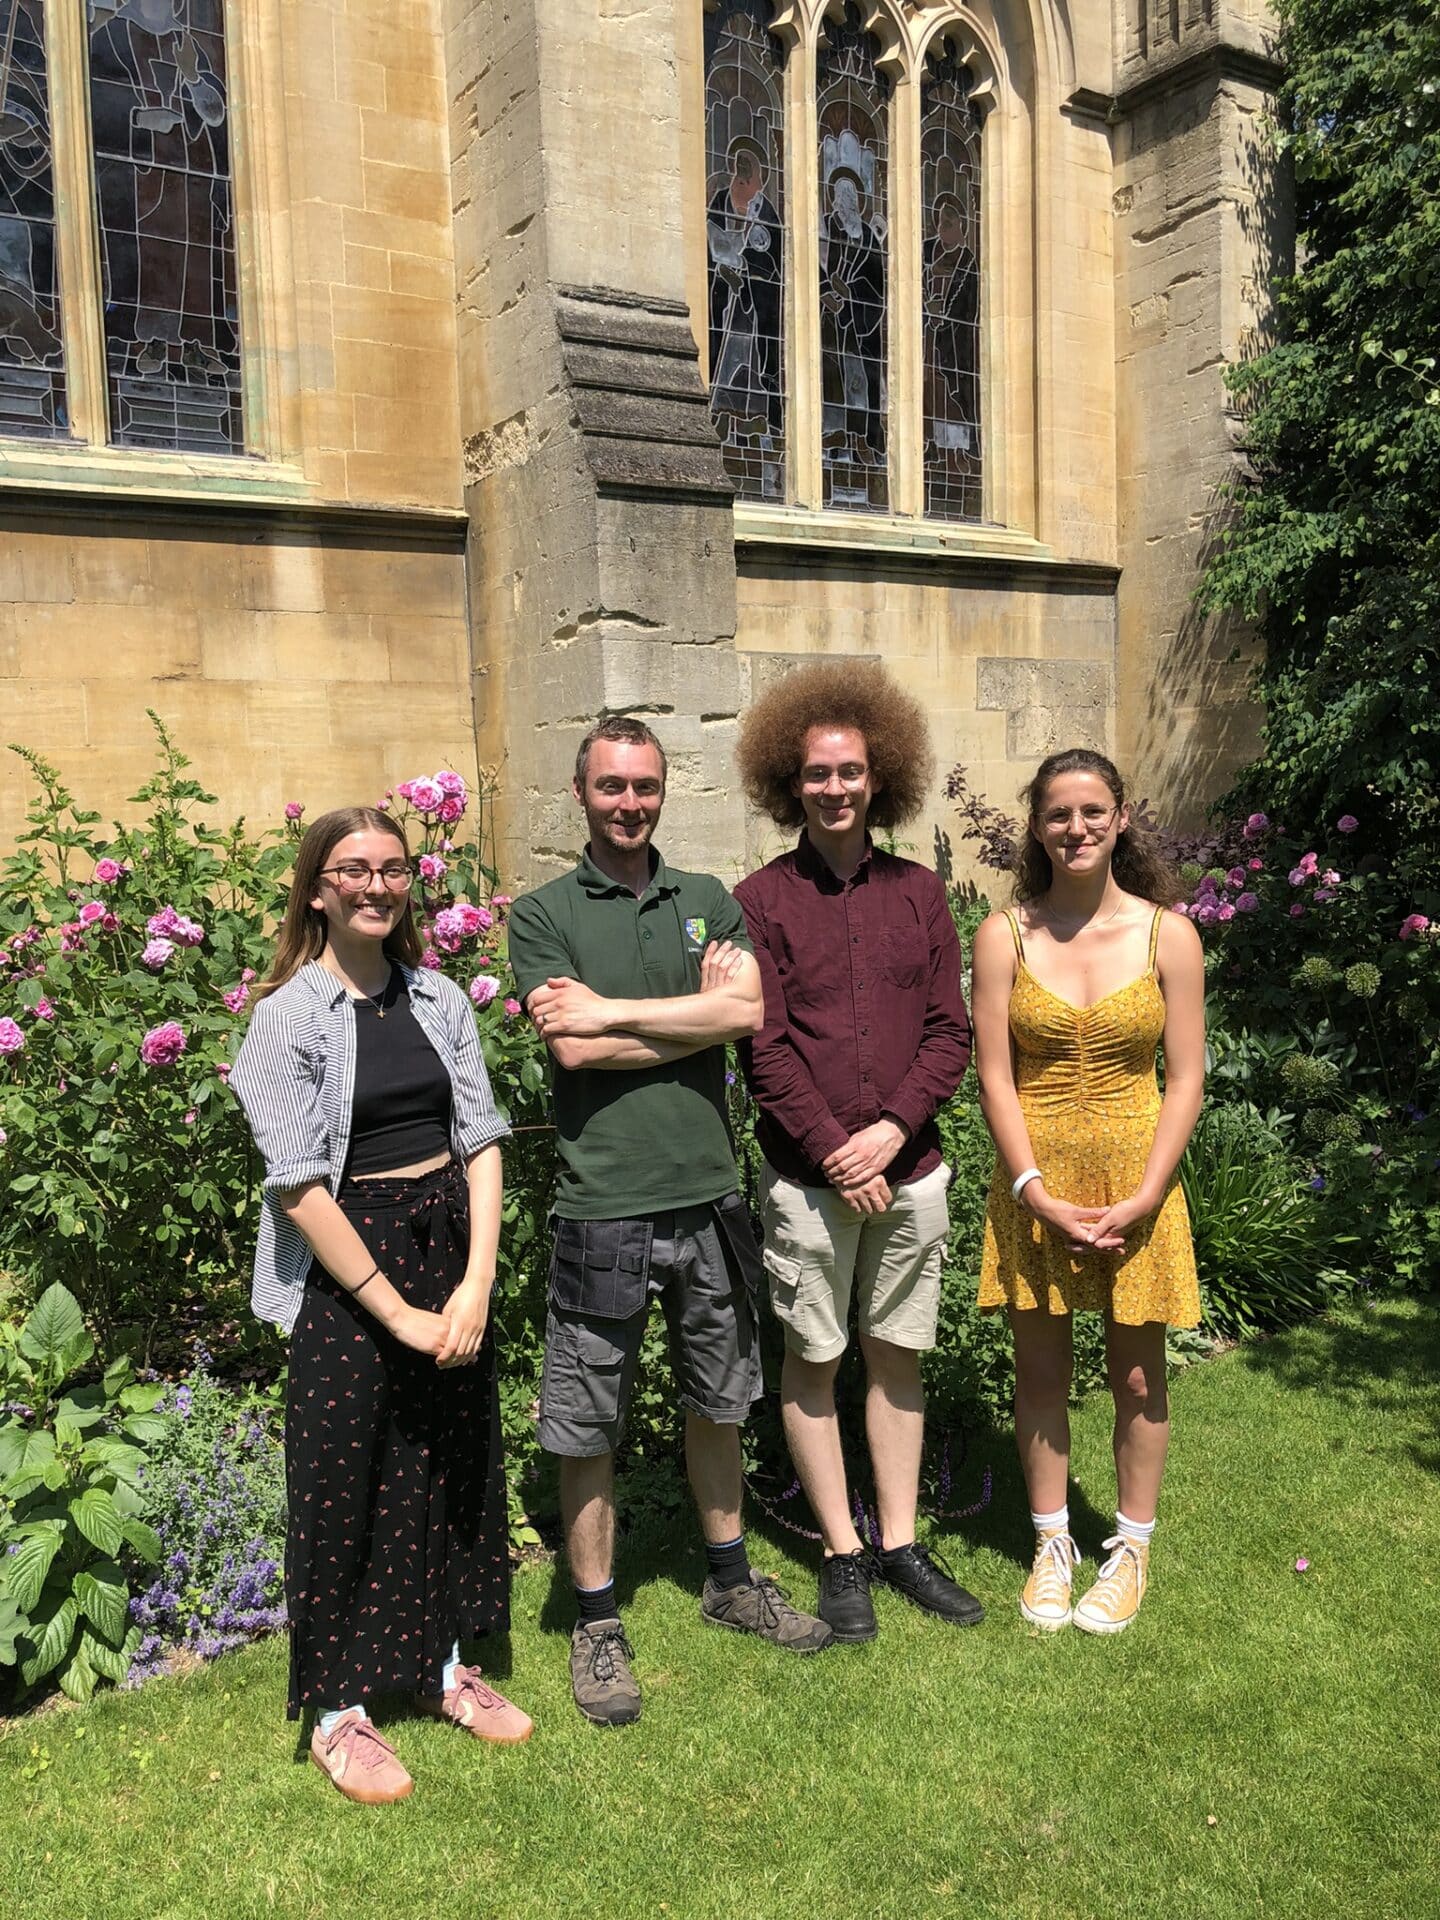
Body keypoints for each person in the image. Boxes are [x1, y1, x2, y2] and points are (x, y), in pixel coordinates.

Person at [507, 716, 833, 1730]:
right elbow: (571, 1054)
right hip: (602, 1205)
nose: (631, 803)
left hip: (708, 1197)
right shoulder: (542, 912)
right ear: (581, 793)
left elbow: (744, 1019)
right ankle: (597, 1620)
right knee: (587, 1417)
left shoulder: (707, 900)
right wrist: (671, 1028)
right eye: (612, 787)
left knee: (720, 1398)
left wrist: (609, 1011)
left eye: (645, 787)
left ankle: (731, 1579)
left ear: (662, 793)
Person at [230, 807, 529, 1805]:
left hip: (448, 1244)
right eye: (352, 869)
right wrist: (397, 1314)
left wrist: (477, 1280)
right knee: (345, 1483)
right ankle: (338, 1711)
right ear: (316, 887)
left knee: (447, 1461)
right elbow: (301, 1187)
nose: (375, 884)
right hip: (348, 1268)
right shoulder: (287, 1017)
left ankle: (442, 1667)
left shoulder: (439, 997)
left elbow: (481, 1137)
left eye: (392, 868)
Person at [733, 662, 982, 1643]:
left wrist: (889, 1133)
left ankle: (903, 1541)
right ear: (788, 786)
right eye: (816, 774)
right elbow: (764, 1043)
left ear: (880, 779)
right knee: (813, 1358)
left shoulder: (921, 894)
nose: (834, 788)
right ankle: (841, 1549)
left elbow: (948, 1032)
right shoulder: (759, 900)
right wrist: (838, 1150)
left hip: (911, 1173)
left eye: (851, 771)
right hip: (807, 1180)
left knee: (895, 1359)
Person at [971, 748, 1205, 1635]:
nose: (1077, 828)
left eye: (1092, 811)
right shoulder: (1005, 935)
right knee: (1039, 1372)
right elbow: (994, 1075)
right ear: (1036, 825)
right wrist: (1033, 1190)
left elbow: (1185, 1077)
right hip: (1038, 1183)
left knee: (1139, 1377)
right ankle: (1051, 1543)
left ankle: (1131, 1550)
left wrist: (1147, 1194)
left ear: (1121, 817)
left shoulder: (1166, 935)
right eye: (1059, 814)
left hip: (1139, 1184)